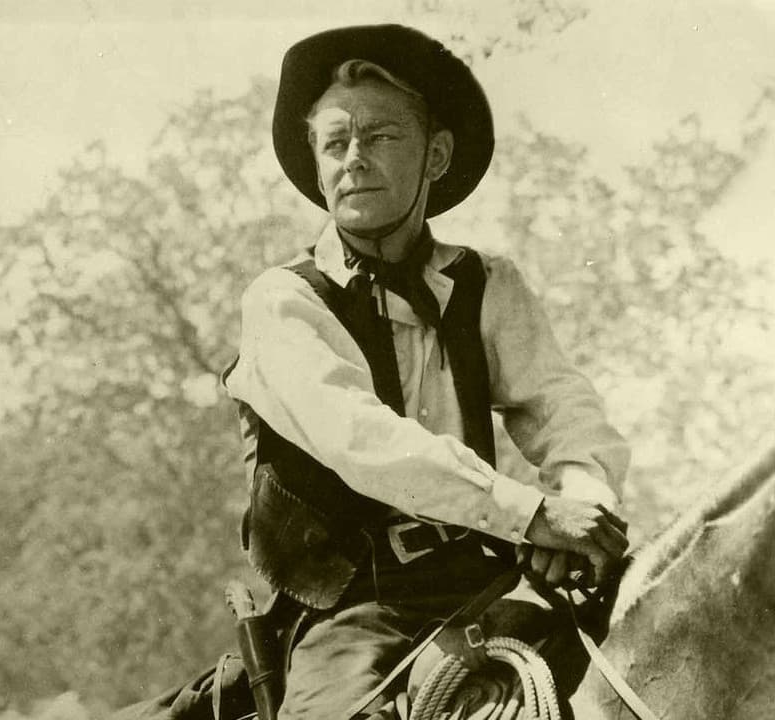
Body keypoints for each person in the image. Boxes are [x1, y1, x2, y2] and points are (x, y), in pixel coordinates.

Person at [218, 24, 631, 720]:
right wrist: (534, 515)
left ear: (436, 155)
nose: (354, 159)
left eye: (380, 136)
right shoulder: (283, 301)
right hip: (357, 610)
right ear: (317, 167)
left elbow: (562, 406)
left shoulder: (487, 284)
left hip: (492, 581)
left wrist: (584, 510)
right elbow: (361, 439)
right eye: (335, 143)